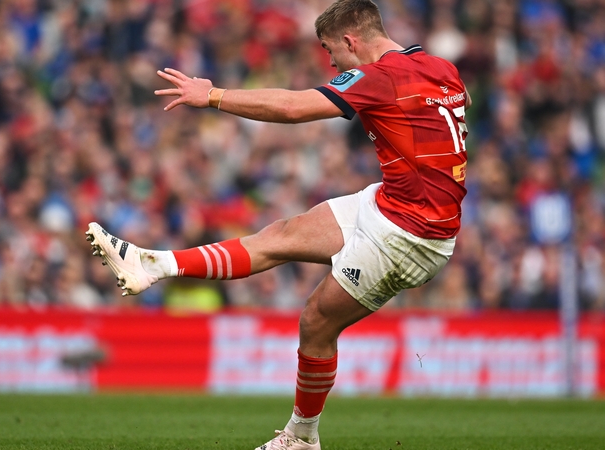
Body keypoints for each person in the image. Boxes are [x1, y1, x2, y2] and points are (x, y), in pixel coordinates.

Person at [86, 0, 471, 449]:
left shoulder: (380, 77)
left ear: (351, 40)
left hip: (410, 234)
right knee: (279, 235)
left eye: (331, 52)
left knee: (315, 323)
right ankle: (152, 264)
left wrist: (212, 96)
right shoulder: (440, 68)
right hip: (394, 203)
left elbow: (292, 108)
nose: (331, 63)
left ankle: (301, 438)